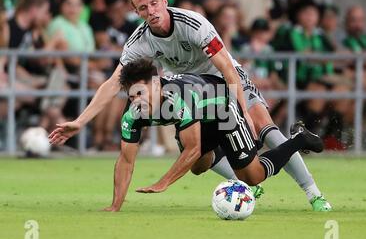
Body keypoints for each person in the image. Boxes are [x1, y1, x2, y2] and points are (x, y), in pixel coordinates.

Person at [49, 0, 331, 211]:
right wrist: (80, 121)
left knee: (265, 129)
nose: (151, 11)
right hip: (194, 92)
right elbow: (113, 83)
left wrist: (243, 108)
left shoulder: (194, 24)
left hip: (226, 80)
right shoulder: (138, 41)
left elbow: (227, 69)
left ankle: (313, 193)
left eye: (154, 3)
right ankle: (241, 183)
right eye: (143, 7)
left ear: (164, 0)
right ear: (136, 12)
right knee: (198, 161)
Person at [99, 60, 323, 211]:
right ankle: (234, 155)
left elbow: (193, 148)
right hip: (200, 117)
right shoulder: (133, 114)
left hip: (223, 110)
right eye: (132, 95)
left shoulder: (179, 98)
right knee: (197, 167)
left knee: (252, 176)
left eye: (141, 93)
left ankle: (299, 140)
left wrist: (163, 182)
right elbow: (126, 159)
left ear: (156, 84)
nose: (137, 100)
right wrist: (115, 206)